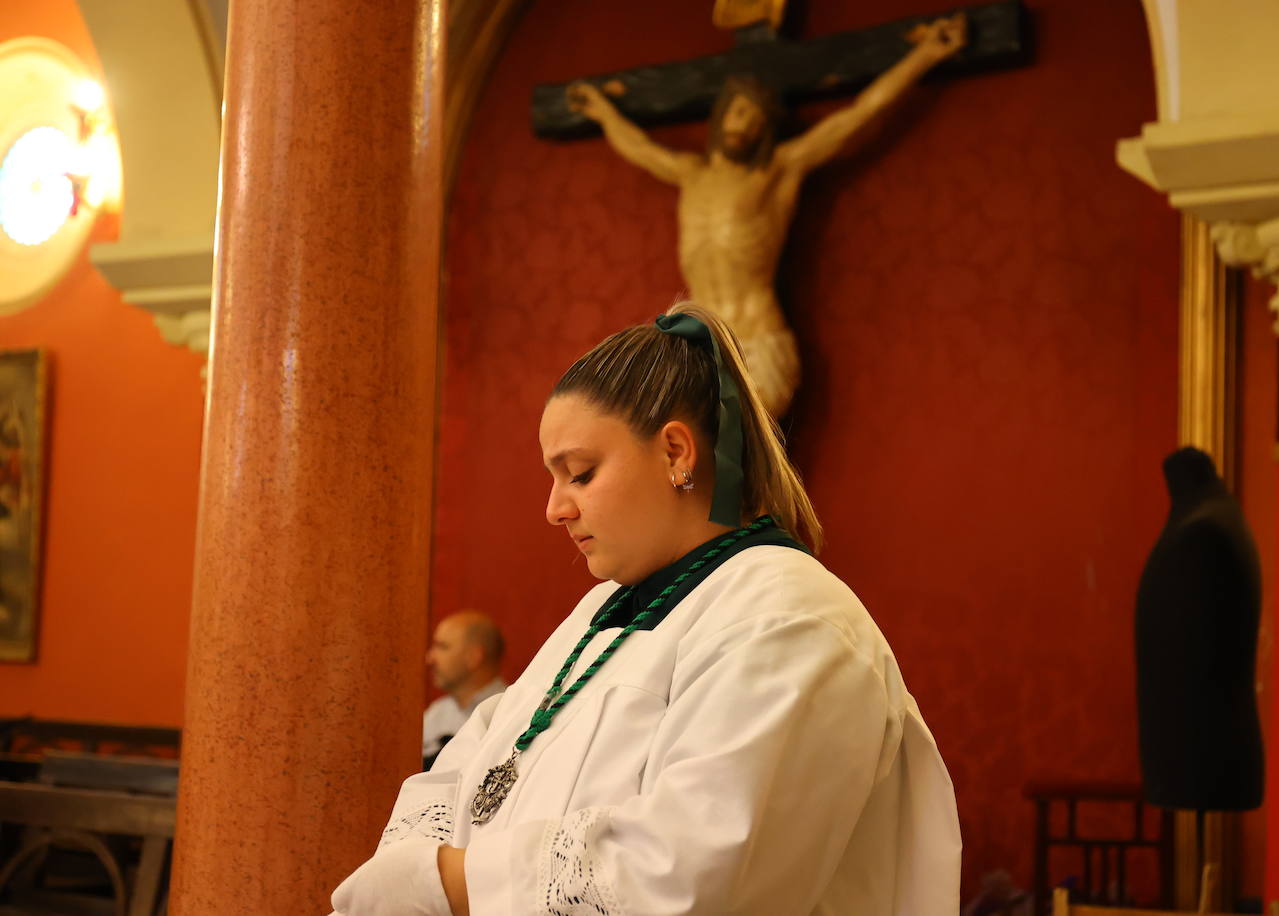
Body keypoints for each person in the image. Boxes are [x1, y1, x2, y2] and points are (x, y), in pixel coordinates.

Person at [328, 302, 960, 915]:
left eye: (579, 473)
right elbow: (472, 763)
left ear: (675, 453)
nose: (555, 508)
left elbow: (693, 870)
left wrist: (447, 883)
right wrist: (413, 874)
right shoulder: (600, 611)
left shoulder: (790, 617)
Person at [566, 14, 967, 417]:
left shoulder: (777, 170)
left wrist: (926, 54)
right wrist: (602, 112)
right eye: (741, 112)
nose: (747, 124)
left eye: (758, 121)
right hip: (698, 344)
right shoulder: (690, 173)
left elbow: (857, 115)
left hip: (758, 338)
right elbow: (637, 146)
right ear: (722, 115)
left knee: (742, 461)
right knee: (687, 465)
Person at [423, 612, 508, 771]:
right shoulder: (437, 713)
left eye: (443, 647)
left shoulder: (508, 711)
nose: (429, 659)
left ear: (473, 657)